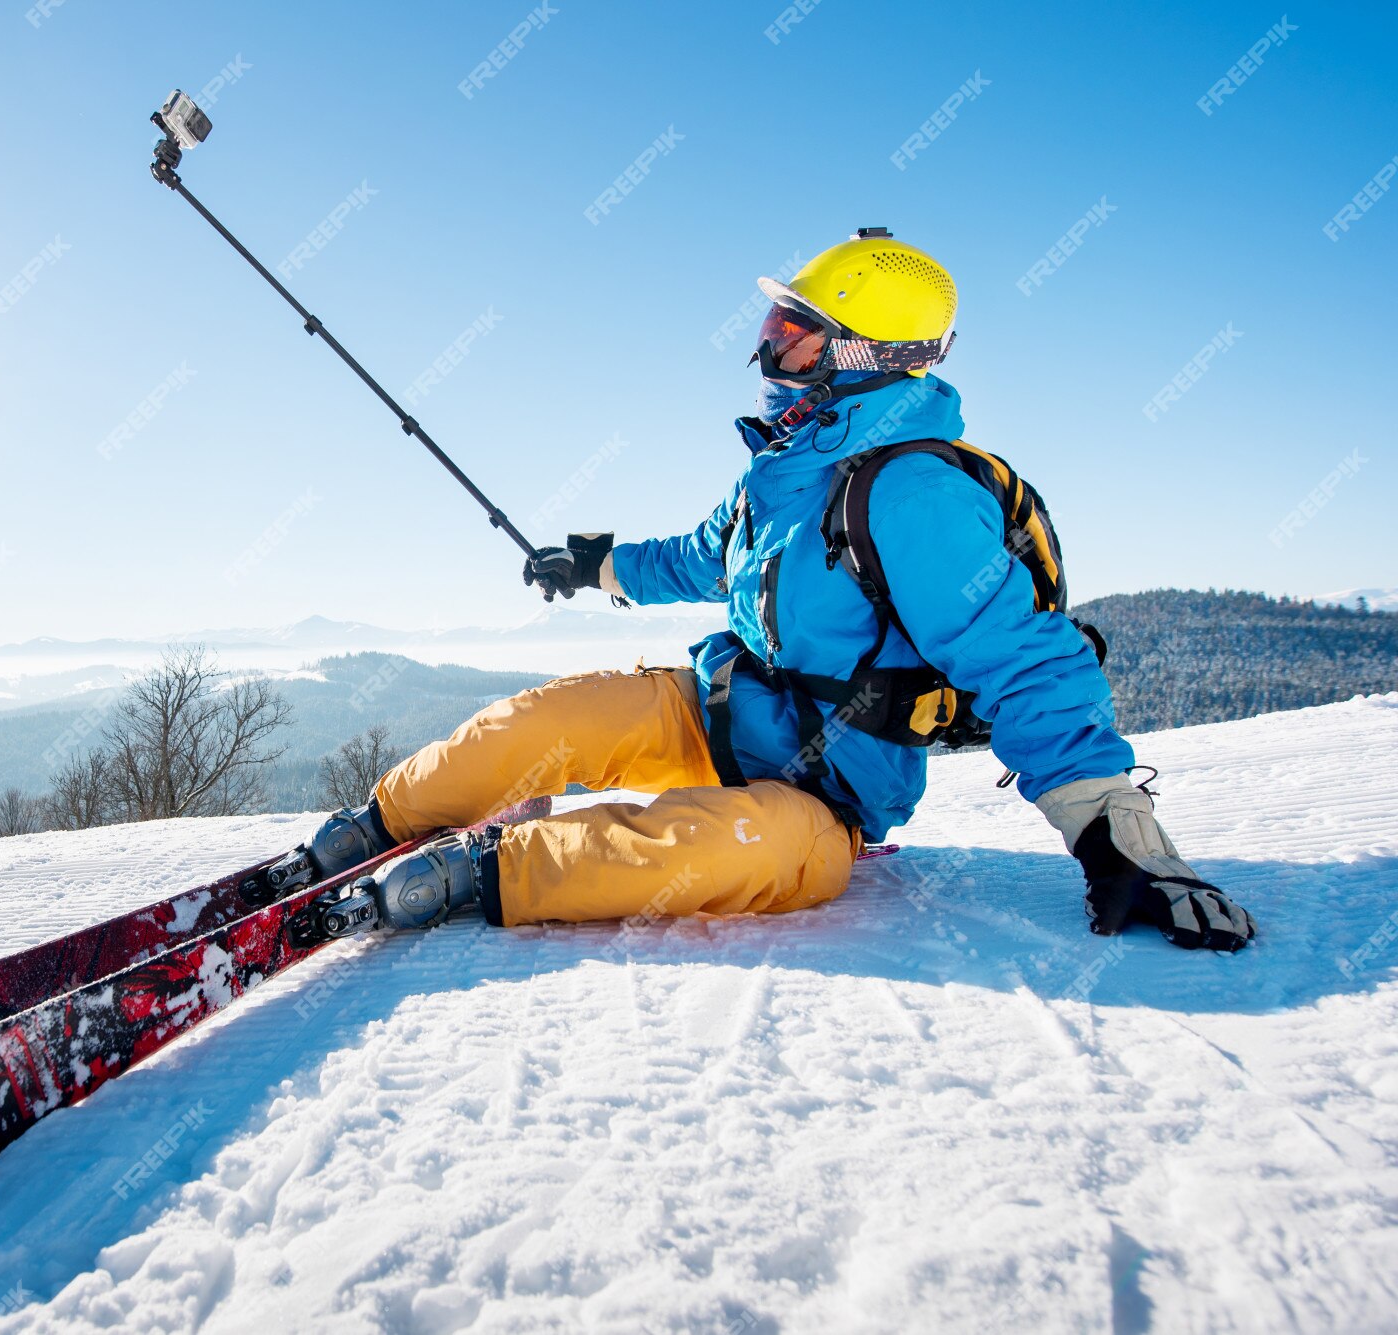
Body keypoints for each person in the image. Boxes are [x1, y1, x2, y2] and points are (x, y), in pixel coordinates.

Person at [290, 229, 1254, 952]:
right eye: (772, 326)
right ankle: (376, 826)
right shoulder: (785, 469)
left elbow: (1025, 660)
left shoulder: (913, 492)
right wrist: (597, 566)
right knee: (541, 722)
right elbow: (707, 557)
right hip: (719, 707)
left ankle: (472, 875)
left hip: (829, 794)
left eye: (794, 336)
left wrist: (1118, 838)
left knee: (714, 854)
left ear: (865, 356)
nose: (766, 354)